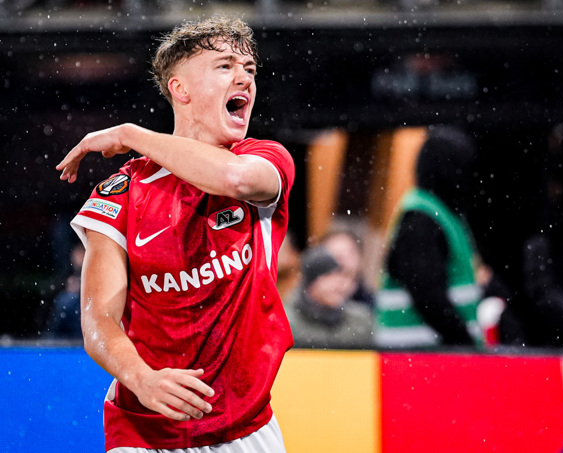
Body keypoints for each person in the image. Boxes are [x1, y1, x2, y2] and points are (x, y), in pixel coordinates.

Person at [56, 16, 294, 453]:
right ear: (179, 89)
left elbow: (235, 179)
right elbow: (98, 319)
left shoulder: (265, 158)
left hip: (246, 425)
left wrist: (130, 134)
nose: (244, 77)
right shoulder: (120, 194)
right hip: (144, 429)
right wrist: (141, 378)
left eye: (249, 69)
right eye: (225, 66)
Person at [376, 126, 511, 349]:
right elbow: (428, 296)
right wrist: (465, 343)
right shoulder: (422, 220)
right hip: (417, 355)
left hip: (429, 354)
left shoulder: (444, 216)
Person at [285, 246, 374, 349]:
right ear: (311, 284)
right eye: (328, 276)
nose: (338, 284)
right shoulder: (287, 322)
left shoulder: (360, 321)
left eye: (338, 276)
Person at [318, 226, 376, 310]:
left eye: (348, 253)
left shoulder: (371, 302)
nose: (341, 260)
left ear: (360, 259)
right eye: (334, 254)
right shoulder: (308, 300)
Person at [44, 244, 85, 340]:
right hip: (67, 335)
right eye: (76, 255)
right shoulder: (68, 272)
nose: (78, 258)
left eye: (81, 255)